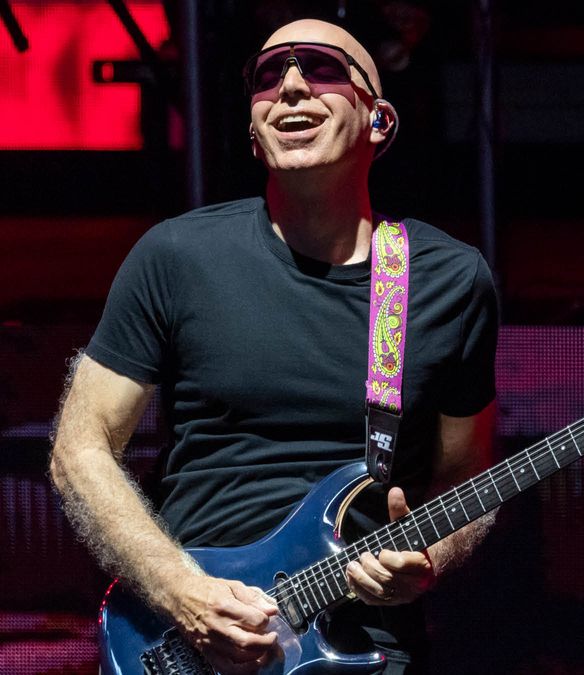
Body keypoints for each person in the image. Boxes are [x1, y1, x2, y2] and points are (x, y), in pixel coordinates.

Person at [49, 18, 497, 674]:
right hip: (189, 638)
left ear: (379, 120)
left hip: (360, 645)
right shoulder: (176, 256)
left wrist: (431, 559)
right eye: (267, 77)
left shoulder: (449, 280)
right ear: (254, 135)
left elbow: (468, 478)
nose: (289, 85)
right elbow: (78, 448)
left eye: (320, 68)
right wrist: (185, 593)